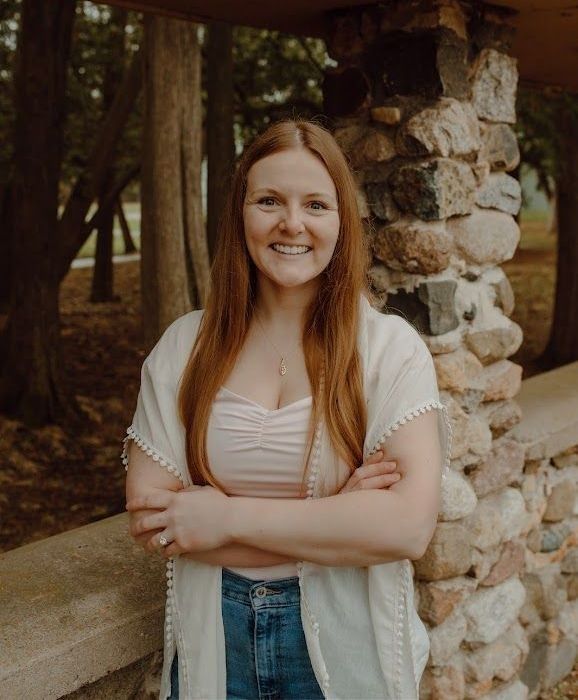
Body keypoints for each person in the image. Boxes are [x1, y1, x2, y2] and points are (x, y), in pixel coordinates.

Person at [122, 119, 451, 700]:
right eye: (268, 200)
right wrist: (339, 518)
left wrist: (222, 520)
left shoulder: (387, 351)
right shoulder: (184, 348)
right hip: (212, 638)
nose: (291, 224)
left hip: (342, 650)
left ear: (342, 221)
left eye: (316, 204)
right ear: (239, 213)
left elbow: (406, 527)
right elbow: (157, 523)